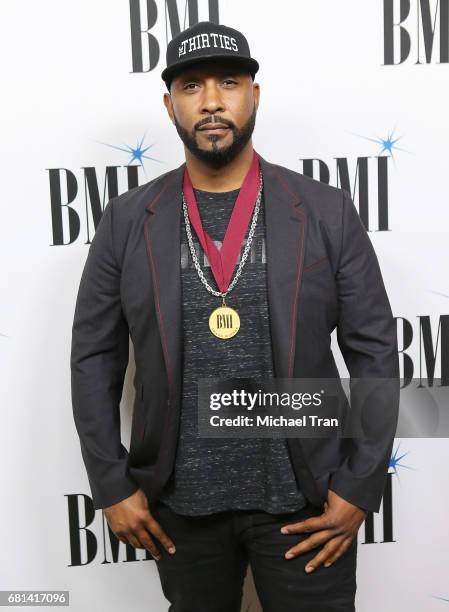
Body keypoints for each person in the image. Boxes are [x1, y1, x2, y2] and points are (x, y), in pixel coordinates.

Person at [70, 20, 400, 612]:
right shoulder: (126, 221)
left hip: (307, 505)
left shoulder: (324, 211)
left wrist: (359, 486)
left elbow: (375, 351)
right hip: (180, 511)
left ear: (255, 94)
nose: (213, 101)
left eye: (229, 81)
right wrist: (112, 485)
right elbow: (94, 361)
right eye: (192, 87)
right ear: (170, 105)